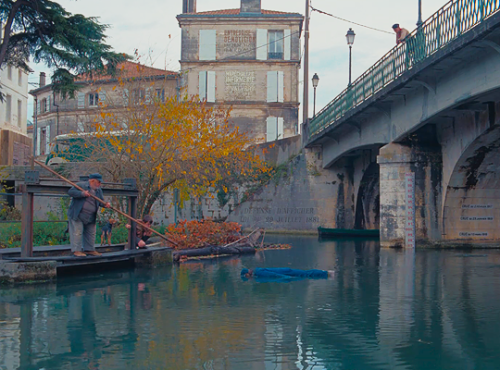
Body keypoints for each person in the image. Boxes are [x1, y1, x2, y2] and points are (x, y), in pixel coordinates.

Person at [68, 173, 110, 257]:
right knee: (77, 232)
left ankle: (89, 249)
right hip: (78, 214)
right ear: (92, 180)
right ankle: (77, 250)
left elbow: (100, 201)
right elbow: (71, 192)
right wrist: (82, 194)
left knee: (91, 233)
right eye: (98, 182)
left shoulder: (98, 190)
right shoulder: (81, 185)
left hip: (90, 216)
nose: (99, 184)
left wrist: (105, 204)